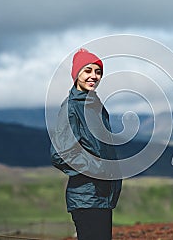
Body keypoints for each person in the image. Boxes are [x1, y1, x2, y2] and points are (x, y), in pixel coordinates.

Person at [50, 48, 122, 240]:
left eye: (98, 72)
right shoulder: (71, 107)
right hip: (86, 198)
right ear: (77, 74)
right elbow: (60, 154)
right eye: (88, 71)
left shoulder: (96, 105)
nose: (94, 76)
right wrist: (97, 169)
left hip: (101, 197)